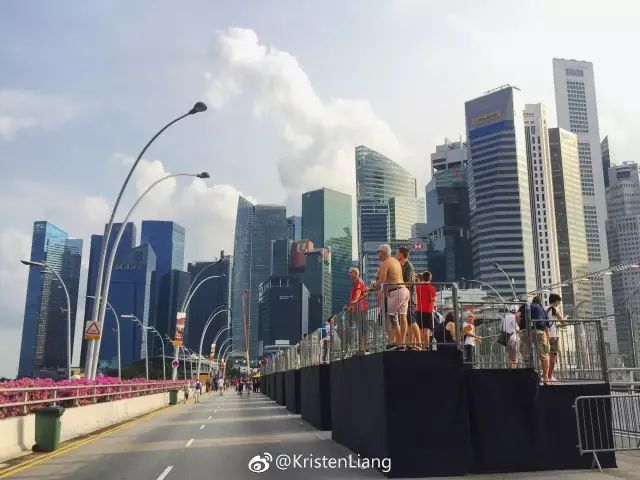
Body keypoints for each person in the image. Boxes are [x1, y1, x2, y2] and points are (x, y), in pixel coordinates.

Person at [367, 244, 408, 350]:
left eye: (378, 252)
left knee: (392, 318)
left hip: (395, 292)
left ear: (383, 252)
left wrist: (371, 287)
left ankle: (398, 343)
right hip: (404, 291)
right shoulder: (395, 261)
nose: (377, 254)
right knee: (402, 317)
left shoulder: (385, 263)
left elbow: (381, 280)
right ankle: (401, 342)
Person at [516, 296, 551, 384]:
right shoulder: (542, 309)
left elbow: (517, 316)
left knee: (526, 354)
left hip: (525, 330)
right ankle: (546, 378)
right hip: (539, 330)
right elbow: (547, 327)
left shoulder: (525, 305)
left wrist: (521, 326)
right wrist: (547, 340)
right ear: (540, 303)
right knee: (544, 355)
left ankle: (529, 377)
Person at [397, 247, 420, 349]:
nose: (396, 255)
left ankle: (418, 343)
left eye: (397, 253)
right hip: (405, 296)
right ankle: (410, 343)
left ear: (402, 254)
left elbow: (410, 282)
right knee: (408, 319)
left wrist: (398, 285)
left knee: (411, 319)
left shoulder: (409, 266)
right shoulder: (402, 266)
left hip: (410, 297)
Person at [348, 267, 368, 353]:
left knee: (362, 328)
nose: (349, 274)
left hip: (361, 307)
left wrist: (354, 301)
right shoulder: (354, 283)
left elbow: (358, 292)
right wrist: (349, 305)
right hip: (356, 308)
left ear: (355, 273)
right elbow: (352, 295)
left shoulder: (359, 281)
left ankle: (364, 347)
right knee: (360, 328)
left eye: (350, 272)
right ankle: (361, 347)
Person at [416, 271, 437, 350]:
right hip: (428, 310)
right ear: (430, 278)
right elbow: (433, 300)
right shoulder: (431, 287)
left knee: (420, 328)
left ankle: (421, 346)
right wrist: (434, 308)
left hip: (419, 310)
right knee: (427, 329)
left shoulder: (418, 287)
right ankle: (426, 346)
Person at [546, 293, 564, 382]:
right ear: (556, 301)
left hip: (546, 335)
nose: (559, 304)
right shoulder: (555, 309)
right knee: (553, 357)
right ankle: (549, 376)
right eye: (559, 302)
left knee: (546, 357)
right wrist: (564, 320)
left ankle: (546, 376)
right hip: (553, 336)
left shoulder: (545, 309)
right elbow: (562, 321)